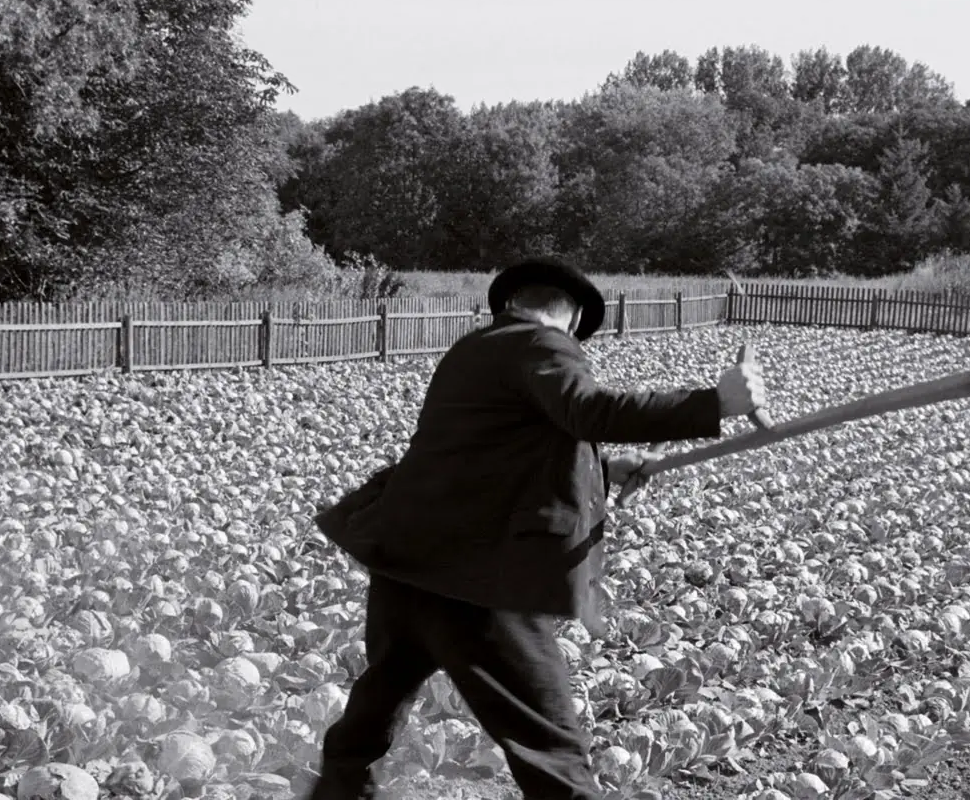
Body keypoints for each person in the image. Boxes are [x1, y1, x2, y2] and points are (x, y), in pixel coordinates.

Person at [305, 256, 768, 799]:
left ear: (508, 303)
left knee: (374, 707)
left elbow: (499, 451)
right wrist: (716, 402)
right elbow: (588, 411)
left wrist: (602, 468)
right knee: (550, 747)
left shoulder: (473, 350)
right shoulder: (540, 344)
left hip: (409, 566)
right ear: (571, 317)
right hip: (476, 582)